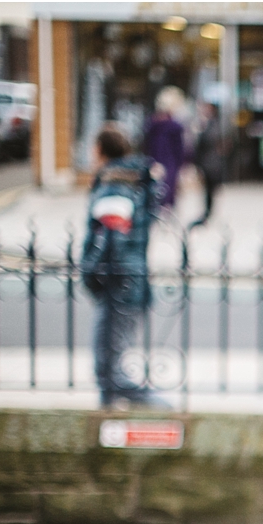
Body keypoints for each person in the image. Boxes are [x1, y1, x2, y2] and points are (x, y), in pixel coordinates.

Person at [81, 125, 167, 409]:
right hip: (131, 280)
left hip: (119, 283)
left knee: (107, 366)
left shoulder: (115, 183)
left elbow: (110, 240)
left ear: (100, 150)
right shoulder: (132, 180)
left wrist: (93, 274)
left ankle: (149, 406)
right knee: (110, 362)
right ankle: (113, 414)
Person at [142, 86, 186, 209]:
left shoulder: (151, 124)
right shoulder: (174, 126)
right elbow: (179, 149)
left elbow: (146, 146)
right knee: (168, 190)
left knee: (155, 189)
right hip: (170, 162)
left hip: (153, 160)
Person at [189, 102, 226, 228]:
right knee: (207, 191)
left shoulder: (213, 125)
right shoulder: (209, 125)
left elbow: (208, 143)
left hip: (211, 163)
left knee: (210, 190)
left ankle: (208, 213)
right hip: (209, 163)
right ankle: (207, 212)